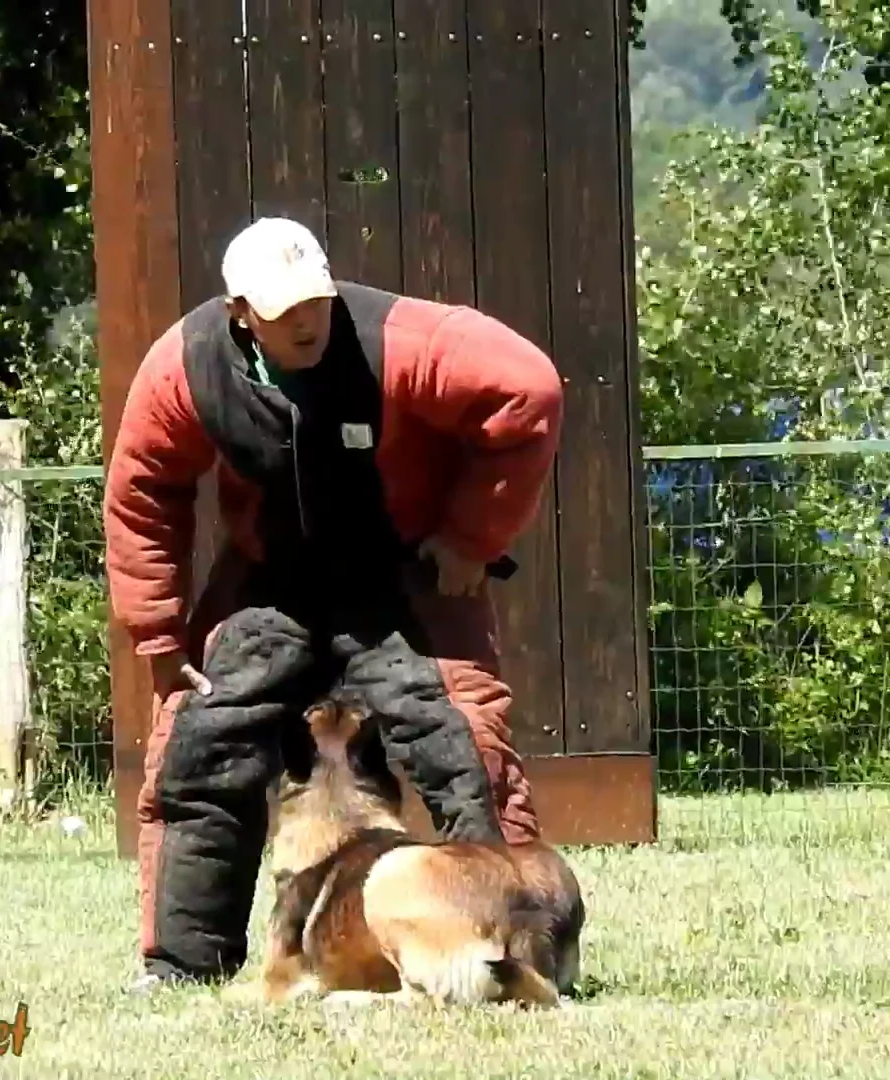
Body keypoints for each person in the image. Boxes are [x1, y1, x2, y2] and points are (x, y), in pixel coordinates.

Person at [101, 216, 564, 992]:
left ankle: (514, 952)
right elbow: (143, 488)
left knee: (467, 751)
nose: (308, 320)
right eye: (284, 311)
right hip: (268, 582)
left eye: (316, 300)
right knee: (198, 745)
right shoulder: (188, 366)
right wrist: (157, 630)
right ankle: (181, 963)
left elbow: (531, 391)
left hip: (402, 574)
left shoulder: (401, 341)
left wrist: (470, 537)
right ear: (240, 311)